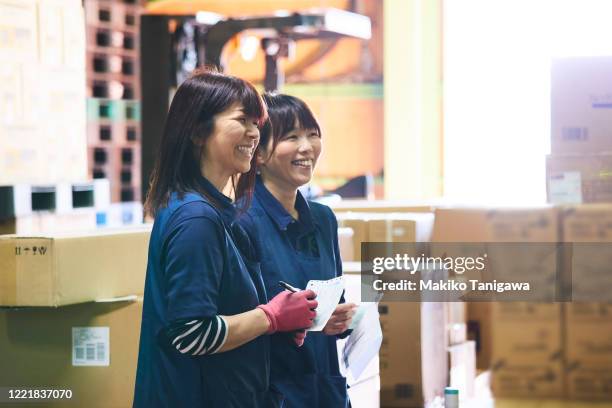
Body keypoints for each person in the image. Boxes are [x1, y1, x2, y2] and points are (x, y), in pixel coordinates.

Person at [133, 69, 318, 408]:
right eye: (242, 120)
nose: (254, 134)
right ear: (198, 132)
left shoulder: (216, 211)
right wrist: (270, 316)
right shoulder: (196, 219)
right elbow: (190, 333)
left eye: (256, 124)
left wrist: (277, 325)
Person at [236, 93, 356, 407]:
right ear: (258, 153)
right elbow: (236, 325)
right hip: (273, 392)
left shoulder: (323, 219)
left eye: (312, 134)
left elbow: (332, 303)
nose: (306, 147)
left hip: (325, 390)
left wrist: (342, 319)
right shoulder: (240, 222)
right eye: (292, 137)